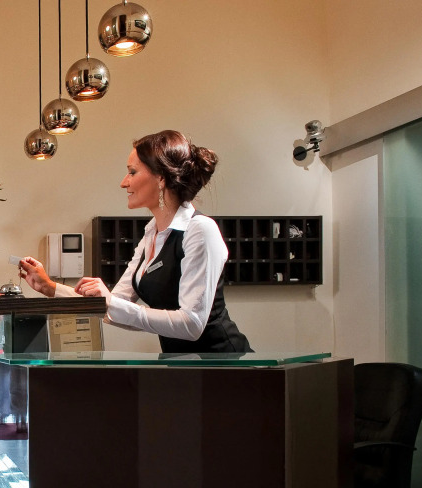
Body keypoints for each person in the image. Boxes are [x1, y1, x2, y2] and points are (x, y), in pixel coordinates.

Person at [20, 130, 251, 354]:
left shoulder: (200, 230)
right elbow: (114, 306)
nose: (124, 182)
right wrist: (49, 287)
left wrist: (110, 302)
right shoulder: (151, 233)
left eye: (132, 172)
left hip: (225, 365)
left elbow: (192, 324)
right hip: (183, 365)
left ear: (161, 178)